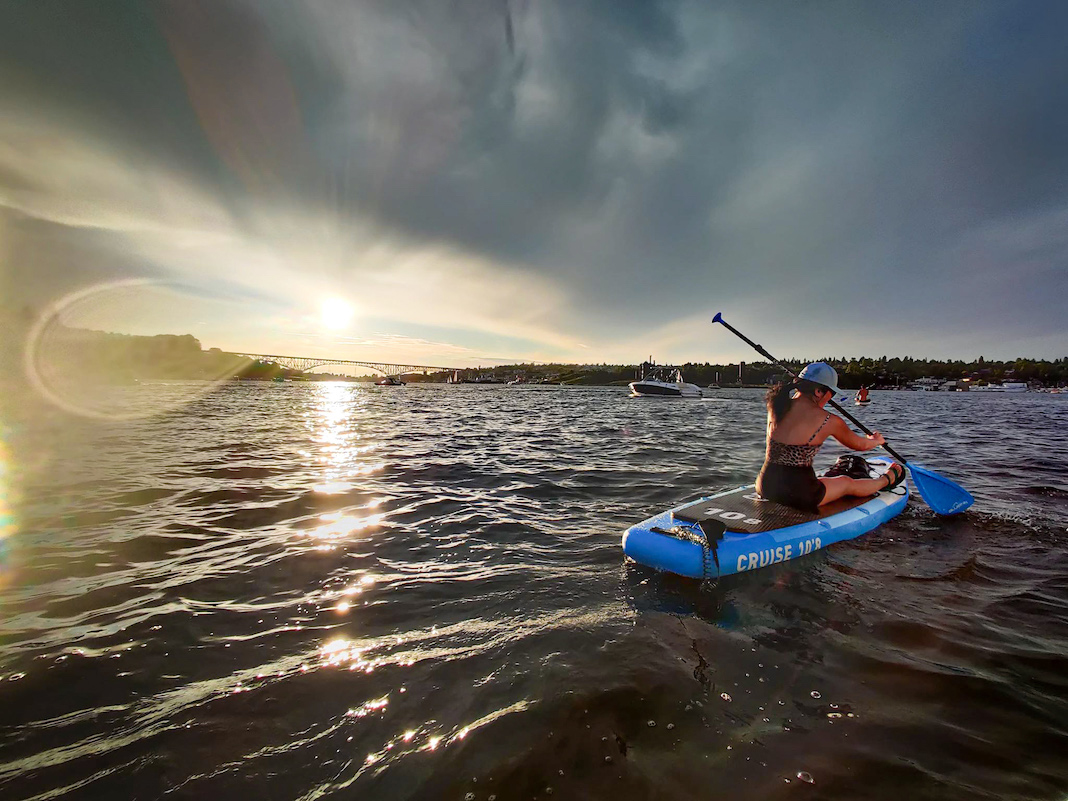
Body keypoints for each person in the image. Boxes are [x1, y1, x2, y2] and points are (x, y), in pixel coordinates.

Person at [756, 363, 904, 512]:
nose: (829, 399)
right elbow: (859, 445)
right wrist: (876, 441)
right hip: (801, 495)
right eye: (831, 394)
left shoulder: (775, 404)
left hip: (765, 485)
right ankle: (888, 479)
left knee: (824, 481)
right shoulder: (829, 420)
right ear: (819, 392)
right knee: (846, 483)